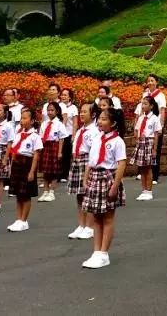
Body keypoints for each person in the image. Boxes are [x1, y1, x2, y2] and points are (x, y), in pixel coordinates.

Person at [81, 108, 127, 269]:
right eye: (99, 118)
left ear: (113, 123)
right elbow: (91, 160)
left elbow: (121, 163)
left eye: (104, 119)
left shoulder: (117, 141)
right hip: (95, 176)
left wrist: (115, 185)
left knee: (107, 217)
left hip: (108, 177)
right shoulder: (97, 138)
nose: (100, 122)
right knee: (96, 217)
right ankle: (96, 251)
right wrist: (86, 177)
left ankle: (104, 253)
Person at [7, 108, 43, 233]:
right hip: (17, 165)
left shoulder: (35, 137)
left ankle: (24, 220)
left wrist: (32, 172)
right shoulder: (18, 134)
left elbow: (36, 155)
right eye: (21, 118)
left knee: (26, 194)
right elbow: (14, 152)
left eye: (25, 118)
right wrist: (12, 166)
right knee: (18, 194)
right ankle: (18, 219)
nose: (22, 121)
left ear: (32, 121)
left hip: (27, 164)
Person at [67, 102, 97, 240]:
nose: (82, 114)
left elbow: (93, 151)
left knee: (88, 195)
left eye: (85, 111)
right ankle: (81, 224)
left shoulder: (94, 131)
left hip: (87, 162)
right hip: (77, 161)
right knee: (79, 195)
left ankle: (90, 227)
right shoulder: (80, 130)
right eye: (81, 111)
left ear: (93, 114)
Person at [131, 97, 162, 201]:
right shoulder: (141, 118)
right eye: (142, 104)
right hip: (141, 142)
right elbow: (137, 129)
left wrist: (155, 149)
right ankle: (143, 190)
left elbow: (156, 135)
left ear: (151, 106)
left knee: (148, 168)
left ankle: (149, 191)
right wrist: (137, 138)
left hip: (149, 142)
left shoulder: (154, 118)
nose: (143, 106)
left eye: (145, 104)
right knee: (142, 168)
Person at [38, 103, 64, 201]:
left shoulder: (59, 124)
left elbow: (61, 139)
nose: (50, 112)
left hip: (54, 146)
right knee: (46, 171)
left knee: (54, 171)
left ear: (57, 111)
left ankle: (52, 192)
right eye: (48, 110)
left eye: (52, 110)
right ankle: (45, 191)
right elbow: (41, 137)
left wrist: (60, 152)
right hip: (45, 146)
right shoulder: (44, 123)